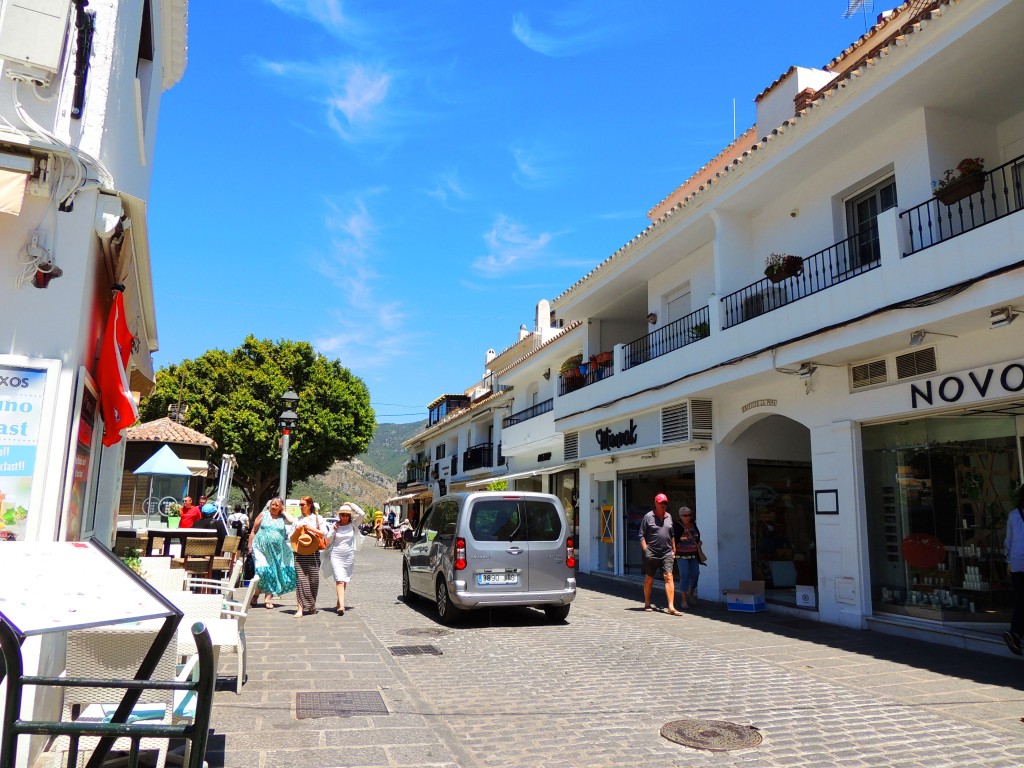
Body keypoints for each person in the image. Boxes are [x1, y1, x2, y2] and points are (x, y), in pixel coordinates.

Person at [247, 497, 297, 609]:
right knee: (262, 571)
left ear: (280, 507)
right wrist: (250, 545)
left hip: (277, 551)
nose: (273, 507)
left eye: (276, 505)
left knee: (272, 572)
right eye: (272, 505)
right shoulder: (263, 515)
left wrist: (283, 511)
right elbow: (254, 530)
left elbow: (293, 521)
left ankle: (267, 598)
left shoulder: (282, 517)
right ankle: (256, 594)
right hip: (261, 549)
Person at [640, 493, 680, 615]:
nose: (663, 505)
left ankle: (671, 606)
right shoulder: (648, 517)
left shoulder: (669, 516)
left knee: (669, 576)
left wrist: (674, 549)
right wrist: (646, 550)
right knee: (649, 578)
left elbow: (671, 534)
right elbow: (641, 535)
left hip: (667, 552)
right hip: (652, 552)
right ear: (656, 503)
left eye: (665, 503)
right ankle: (647, 602)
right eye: (661, 503)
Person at [324, 502, 366, 616]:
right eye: (343, 515)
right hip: (336, 555)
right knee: (339, 580)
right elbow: (327, 539)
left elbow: (362, 514)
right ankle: (342, 606)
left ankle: (339, 602)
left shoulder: (353, 525)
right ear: (340, 515)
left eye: (347, 515)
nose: (345, 517)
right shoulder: (335, 526)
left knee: (344, 579)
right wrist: (333, 530)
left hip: (348, 556)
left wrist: (351, 504)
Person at [291, 495, 328, 618]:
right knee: (301, 581)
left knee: (313, 581)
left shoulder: (317, 518)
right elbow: (291, 536)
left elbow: (324, 532)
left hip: (313, 553)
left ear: (309, 505)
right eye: (300, 505)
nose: (300, 507)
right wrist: (297, 530)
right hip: (299, 553)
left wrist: (311, 529)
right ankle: (300, 609)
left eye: (302, 504)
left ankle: (311, 605)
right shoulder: (297, 520)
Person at [1004, 503, 1024, 655]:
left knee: (1021, 599)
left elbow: (1008, 541)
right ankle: (1015, 633)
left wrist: (1009, 561)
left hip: (1016, 563)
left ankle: (1015, 633)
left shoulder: (1013, 515)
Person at [674, 506, 702, 610]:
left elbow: (697, 536)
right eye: (685, 515)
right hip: (681, 555)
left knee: (696, 574)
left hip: (693, 554)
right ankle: (684, 599)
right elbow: (673, 539)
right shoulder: (677, 526)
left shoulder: (693, 524)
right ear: (680, 516)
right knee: (684, 575)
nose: (688, 517)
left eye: (690, 515)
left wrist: (698, 542)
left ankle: (691, 593)